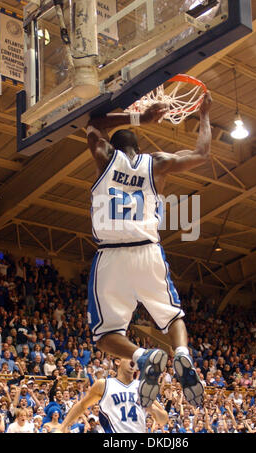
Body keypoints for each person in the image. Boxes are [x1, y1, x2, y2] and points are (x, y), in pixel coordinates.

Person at [86, 92, 212, 408]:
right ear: (140, 149)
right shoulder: (158, 164)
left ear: (113, 147)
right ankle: (181, 353)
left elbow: (93, 122)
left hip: (111, 255)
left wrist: (139, 118)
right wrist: (205, 114)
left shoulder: (104, 156)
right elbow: (202, 153)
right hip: (148, 250)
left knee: (105, 336)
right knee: (172, 318)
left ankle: (142, 356)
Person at [59, 359, 169, 433]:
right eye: (129, 356)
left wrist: (153, 409)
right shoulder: (104, 384)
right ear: (117, 361)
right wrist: (63, 426)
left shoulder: (143, 387)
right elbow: (82, 405)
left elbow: (163, 420)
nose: (133, 360)